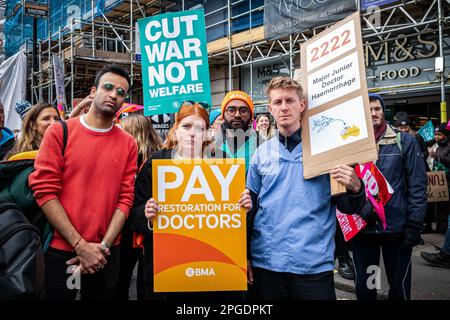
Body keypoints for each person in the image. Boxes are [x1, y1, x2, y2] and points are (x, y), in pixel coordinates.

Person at [246, 76, 366, 300]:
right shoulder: (260, 154)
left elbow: (348, 208)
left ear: (301, 105)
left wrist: (356, 187)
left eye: (290, 101)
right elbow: (250, 210)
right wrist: (245, 256)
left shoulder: (326, 151)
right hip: (267, 263)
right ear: (270, 108)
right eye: (278, 102)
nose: (284, 107)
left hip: (313, 265)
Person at [28, 64, 138, 300]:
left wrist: (102, 248)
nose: (114, 95)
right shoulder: (59, 132)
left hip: (106, 252)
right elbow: (44, 191)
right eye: (108, 87)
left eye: (121, 93)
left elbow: (126, 198)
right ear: (93, 91)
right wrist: (80, 245)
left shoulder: (128, 143)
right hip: (62, 252)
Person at [129, 103, 252, 300]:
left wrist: (244, 205)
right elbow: (134, 212)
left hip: (215, 269)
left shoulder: (222, 162)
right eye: (186, 126)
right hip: (169, 271)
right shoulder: (156, 164)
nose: (193, 133)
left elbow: (238, 219)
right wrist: (147, 213)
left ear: (207, 134)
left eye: (200, 128)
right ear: (176, 130)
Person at [350, 93, 427, 300]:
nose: (373, 113)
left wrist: (414, 226)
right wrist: (360, 208)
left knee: (398, 289)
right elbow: (344, 185)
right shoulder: (351, 144)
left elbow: (417, 186)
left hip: (397, 231)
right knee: (367, 287)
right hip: (364, 231)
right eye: (368, 110)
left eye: (377, 108)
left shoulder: (405, 141)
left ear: (383, 111)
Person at [116, 113, 162, 300]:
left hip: (133, 228)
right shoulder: (161, 154)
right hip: (147, 231)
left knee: (122, 280)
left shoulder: (154, 161)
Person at [0, 102, 61, 237]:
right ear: (33, 125)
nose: (54, 123)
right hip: (30, 228)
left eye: (57, 119)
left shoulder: (65, 151)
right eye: (46, 119)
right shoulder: (18, 158)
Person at [214, 91, 257, 173]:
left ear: (251, 116)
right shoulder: (211, 145)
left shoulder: (261, 145)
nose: (237, 115)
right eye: (231, 110)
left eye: (243, 110)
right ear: (223, 115)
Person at [426, 124, 450, 234]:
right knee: (439, 206)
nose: (437, 137)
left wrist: (436, 156)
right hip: (439, 182)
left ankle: (445, 229)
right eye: (435, 135)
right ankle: (441, 228)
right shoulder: (438, 145)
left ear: (445, 135)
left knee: (445, 207)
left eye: (439, 134)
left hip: (447, 182)